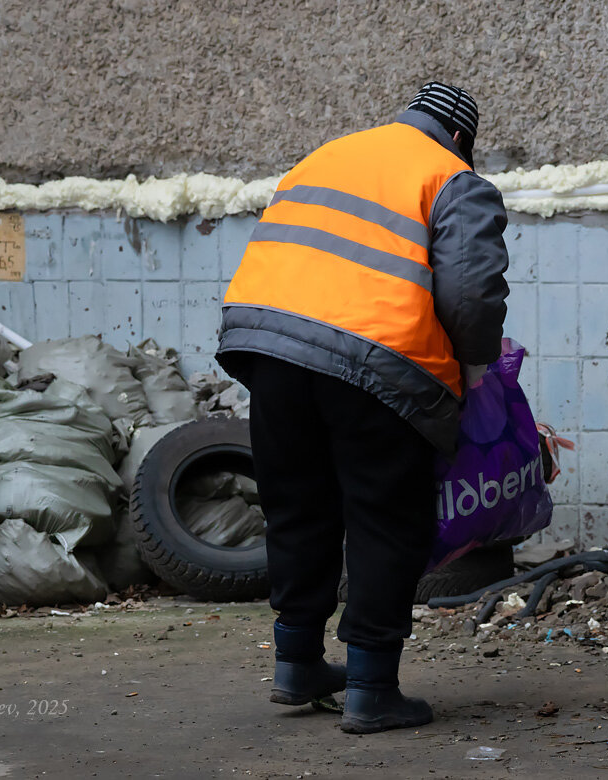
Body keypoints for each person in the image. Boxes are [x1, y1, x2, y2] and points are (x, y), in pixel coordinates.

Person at [215, 81, 510, 734]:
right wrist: (476, 370)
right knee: (385, 518)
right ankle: (372, 689)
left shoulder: (328, 155)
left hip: (269, 346)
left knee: (298, 506)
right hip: (374, 362)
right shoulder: (452, 177)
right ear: (460, 137)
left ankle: (296, 665)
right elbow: (470, 295)